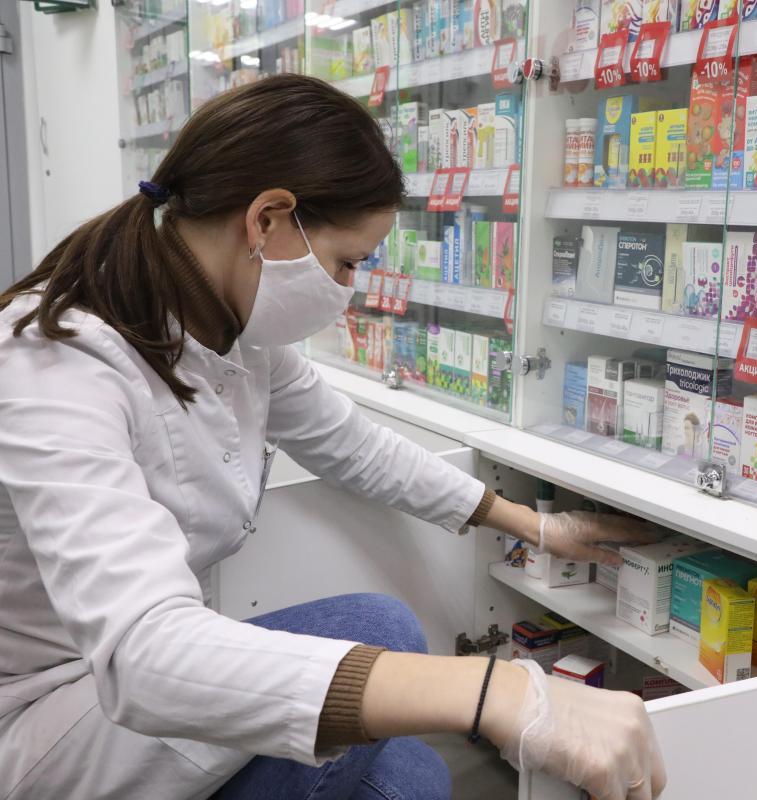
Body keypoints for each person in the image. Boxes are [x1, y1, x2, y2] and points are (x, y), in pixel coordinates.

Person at [0, 75, 665, 800]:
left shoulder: (234, 337)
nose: (348, 288)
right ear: (267, 220)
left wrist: (534, 524)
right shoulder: (52, 361)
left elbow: (356, 447)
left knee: (414, 779)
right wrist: (491, 692)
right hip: (53, 712)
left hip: (136, 692)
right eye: (347, 262)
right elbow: (144, 654)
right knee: (377, 629)